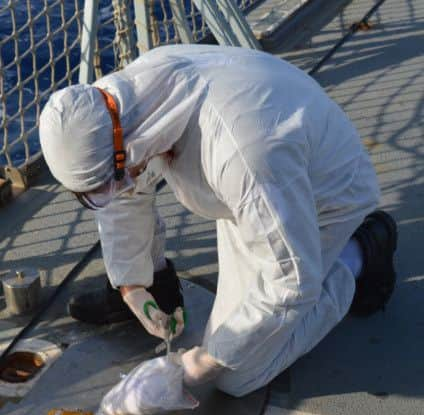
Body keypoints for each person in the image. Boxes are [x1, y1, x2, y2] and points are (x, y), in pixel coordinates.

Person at [39, 44, 397, 397]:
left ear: (123, 146)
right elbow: (126, 190)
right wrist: (132, 285)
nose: (113, 191)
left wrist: (207, 360)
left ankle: (360, 252)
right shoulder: (127, 103)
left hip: (321, 200)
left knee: (237, 375)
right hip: (263, 193)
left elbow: (292, 281)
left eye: (107, 182)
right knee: (242, 332)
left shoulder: (239, 153)